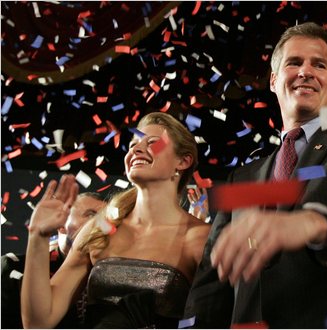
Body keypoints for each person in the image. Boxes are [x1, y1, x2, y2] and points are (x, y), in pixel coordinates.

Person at [183, 22, 327, 328]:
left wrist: (310, 223)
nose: (305, 71)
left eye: (319, 65)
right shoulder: (243, 177)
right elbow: (211, 282)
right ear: (274, 80)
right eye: (294, 62)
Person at [20, 112, 211, 328]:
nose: (136, 150)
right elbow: (38, 321)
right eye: (132, 144)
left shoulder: (201, 237)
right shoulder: (100, 229)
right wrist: (37, 235)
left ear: (183, 161)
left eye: (153, 143)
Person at [1, 192, 106, 329]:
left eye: (106, 219)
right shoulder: (15, 268)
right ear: (61, 224)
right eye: (91, 215)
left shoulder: (112, 279)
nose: (99, 225)